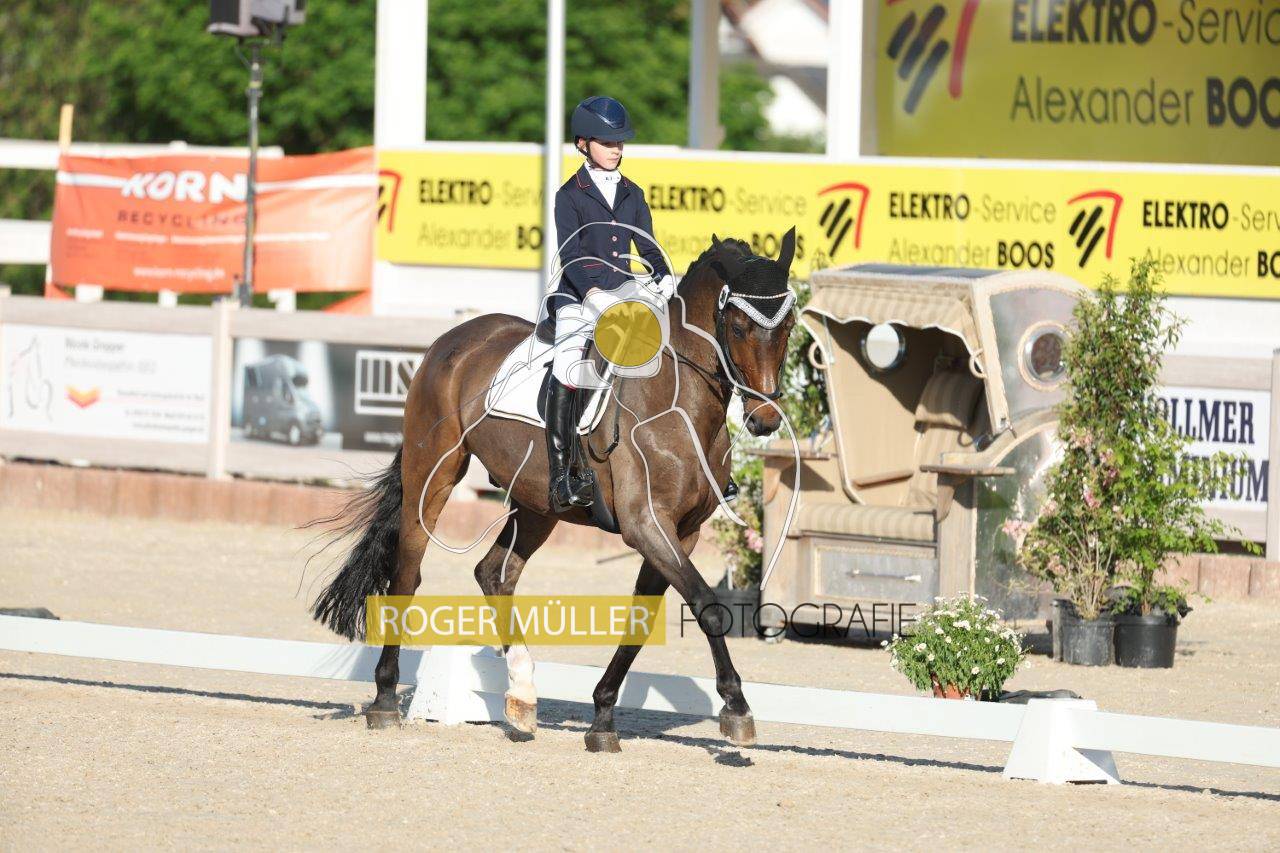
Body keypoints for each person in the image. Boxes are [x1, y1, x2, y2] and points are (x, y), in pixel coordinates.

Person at [545, 95, 674, 513]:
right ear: (583, 144)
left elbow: (648, 246)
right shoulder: (570, 194)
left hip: (624, 289)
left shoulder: (633, 193)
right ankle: (562, 474)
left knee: (673, 346)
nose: (616, 149)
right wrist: (593, 295)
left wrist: (663, 274)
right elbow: (570, 255)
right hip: (578, 293)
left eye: (620, 142)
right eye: (607, 142)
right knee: (568, 363)